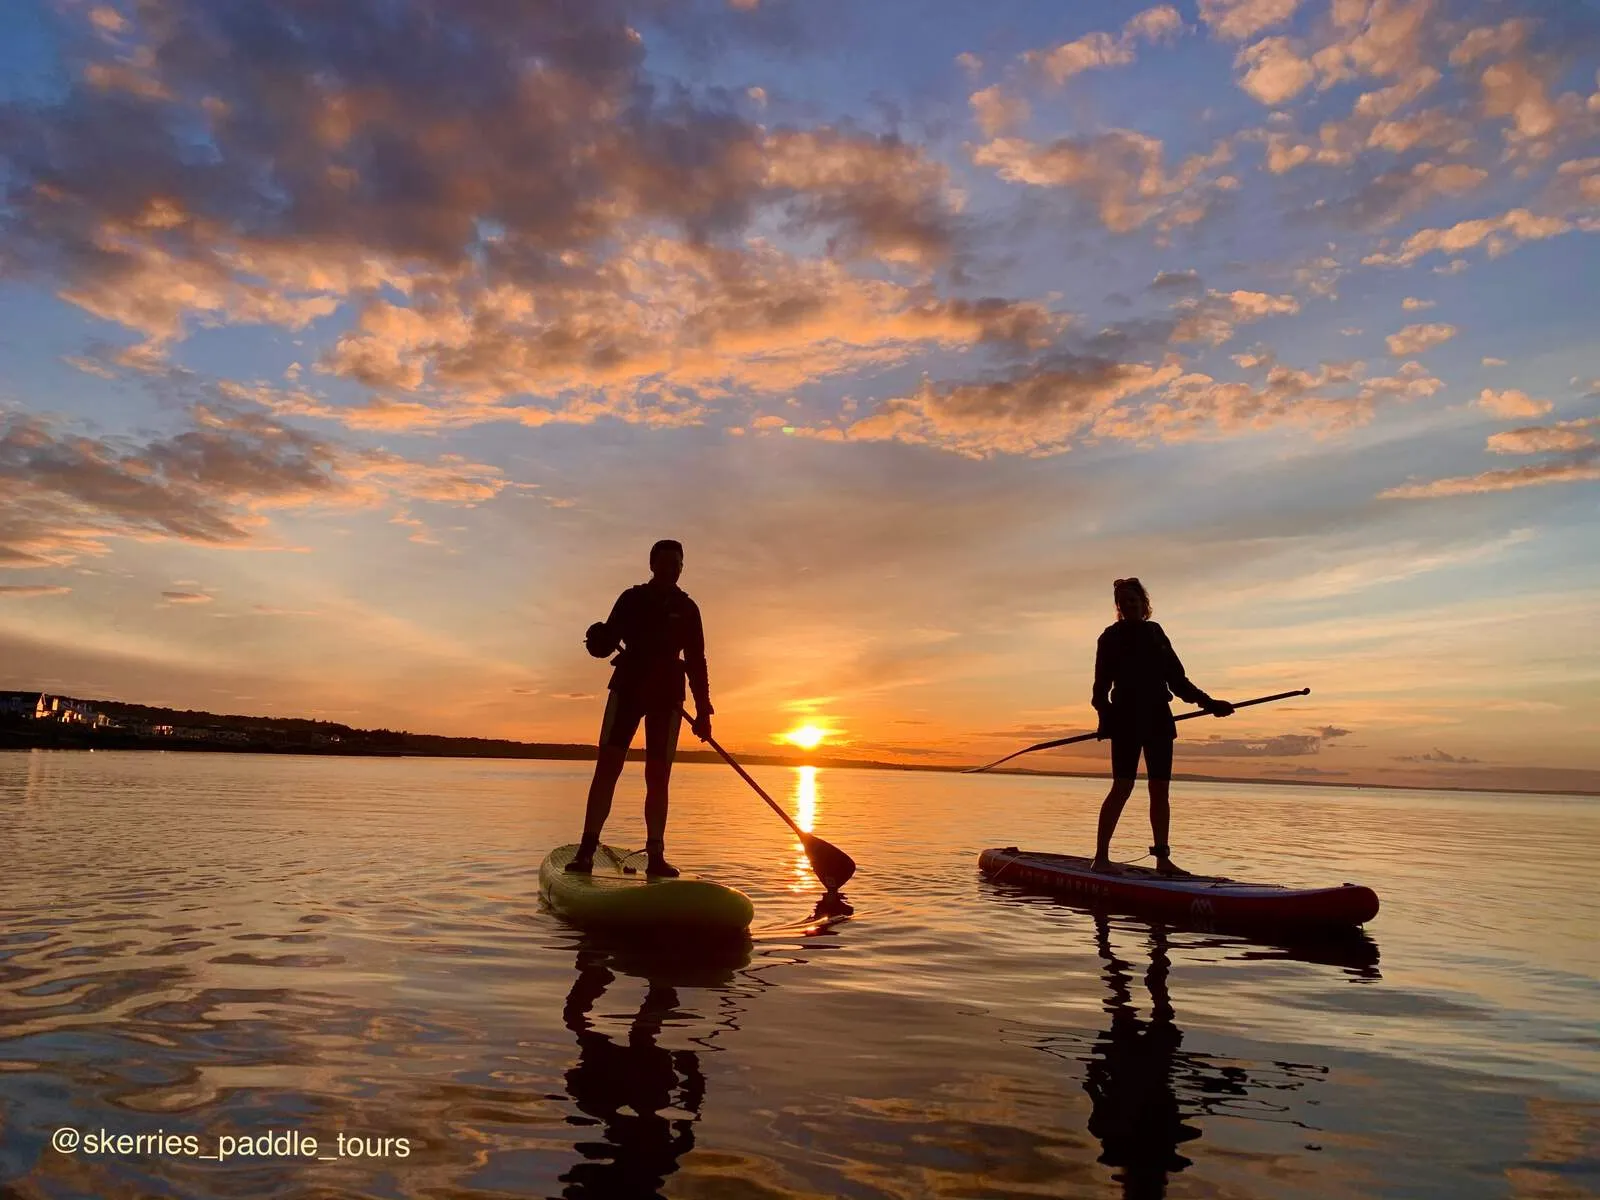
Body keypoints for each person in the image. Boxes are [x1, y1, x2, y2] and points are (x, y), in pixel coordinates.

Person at [566, 539, 713, 878]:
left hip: (667, 697)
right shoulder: (631, 599)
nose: (670, 569)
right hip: (628, 688)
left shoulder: (688, 609)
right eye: (664, 563)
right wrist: (599, 640)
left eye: (676, 563)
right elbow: (604, 644)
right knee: (608, 767)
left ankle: (656, 855)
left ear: (682, 568)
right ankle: (587, 849)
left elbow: (696, 660)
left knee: (658, 777)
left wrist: (704, 711)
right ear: (652, 564)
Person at [1089, 578, 1232, 876]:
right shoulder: (1110, 638)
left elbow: (1177, 680)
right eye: (1123, 602)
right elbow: (1100, 689)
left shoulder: (1155, 633)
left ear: (1144, 604)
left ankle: (1162, 859)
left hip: (1158, 718)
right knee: (1123, 786)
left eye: (1134, 601)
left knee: (1160, 790)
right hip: (1126, 719)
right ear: (1118, 607)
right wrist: (1106, 718)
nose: (1129, 606)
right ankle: (1101, 858)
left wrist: (1210, 703)